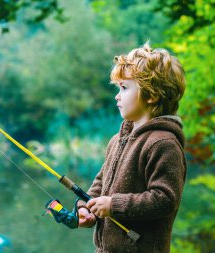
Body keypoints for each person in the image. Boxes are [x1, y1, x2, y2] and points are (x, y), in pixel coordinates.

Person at [76, 41, 187, 253]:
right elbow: (101, 182)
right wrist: (86, 207)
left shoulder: (163, 143)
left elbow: (164, 199)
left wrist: (113, 205)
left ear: (152, 95)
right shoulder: (117, 140)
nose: (117, 96)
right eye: (118, 88)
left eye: (124, 88)